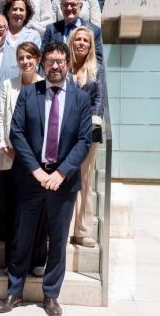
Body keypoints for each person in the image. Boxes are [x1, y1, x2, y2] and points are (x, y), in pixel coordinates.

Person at [0, 41, 92, 316]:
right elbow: (16, 133)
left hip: (63, 182)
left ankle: (51, 296)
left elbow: (84, 141)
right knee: (21, 237)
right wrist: (36, 170)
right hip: (30, 179)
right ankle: (14, 292)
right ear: (43, 64)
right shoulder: (29, 93)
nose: (55, 66)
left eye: (60, 61)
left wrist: (61, 173)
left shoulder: (80, 98)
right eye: (50, 61)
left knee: (58, 241)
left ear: (67, 64)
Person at [0, 41, 45, 273]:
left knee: (37, 212)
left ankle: (37, 260)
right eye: (21, 58)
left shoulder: (46, 86)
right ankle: (12, 262)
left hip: (36, 162)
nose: (25, 61)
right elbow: (1, 117)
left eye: (29, 57)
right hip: (10, 156)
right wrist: (4, 144)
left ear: (38, 60)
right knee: (10, 211)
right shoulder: (9, 85)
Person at [66, 27, 105, 248]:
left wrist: (89, 123)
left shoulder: (97, 69)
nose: (81, 43)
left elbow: (99, 99)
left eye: (86, 40)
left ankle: (82, 231)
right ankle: (64, 229)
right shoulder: (63, 67)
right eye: (78, 39)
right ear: (71, 42)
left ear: (91, 45)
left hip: (90, 132)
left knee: (85, 181)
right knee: (64, 180)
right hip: (65, 133)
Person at [43, 0, 103, 66]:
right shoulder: (51, 29)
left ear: (80, 6)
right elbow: (43, 56)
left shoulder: (94, 31)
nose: (69, 8)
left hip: (84, 72)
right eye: (65, 5)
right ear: (61, 7)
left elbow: (98, 60)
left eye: (73, 4)